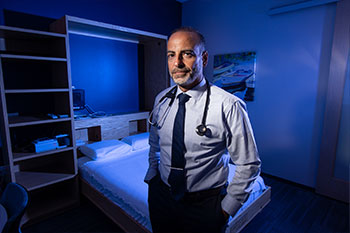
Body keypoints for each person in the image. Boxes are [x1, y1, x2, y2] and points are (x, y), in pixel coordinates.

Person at [144, 26, 261, 233]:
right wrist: (153, 177)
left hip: (205, 206)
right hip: (162, 197)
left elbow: (248, 164)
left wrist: (225, 209)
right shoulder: (161, 99)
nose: (177, 63)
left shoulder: (229, 105)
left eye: (187, 54)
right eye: (171, 55)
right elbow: (155, 143)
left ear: (204, 59)